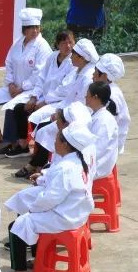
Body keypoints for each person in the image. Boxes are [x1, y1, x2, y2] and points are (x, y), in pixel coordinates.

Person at [4, 123, 94, 272]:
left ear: (65, 144)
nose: (54, 142)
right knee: (30, 212)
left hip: (64, 217)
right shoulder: (77, 160)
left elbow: (50, 198)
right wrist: (42, 180)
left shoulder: (66, 167)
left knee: (17, 226)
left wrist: (33, 209)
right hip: (76, 213)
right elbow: (57, 186)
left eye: (57, 139)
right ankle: (39, 258)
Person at [20, 38, 98, 179]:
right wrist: (57, 110)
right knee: (40, 123)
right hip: (65, 108)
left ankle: (37, 165)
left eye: (74, 54)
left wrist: (62, 114)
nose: (71, 56)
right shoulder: (78, 71)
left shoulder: (87, 77)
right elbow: (67, 94)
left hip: (76, 117)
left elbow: (81, 104)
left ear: (82, 58)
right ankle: (38, 164)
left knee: (45, 129)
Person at [0, 7, 52, 147]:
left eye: (37, 27)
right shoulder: (18, 43)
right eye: (31, 28)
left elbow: (39, 73)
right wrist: (11, 83)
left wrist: (22, 88)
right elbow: (9, 63)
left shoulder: (43, 46)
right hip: (14, 87)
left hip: (31, 90)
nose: (35, 31)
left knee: (11, 106)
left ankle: (12, 142)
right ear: (24, 29)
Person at [7, 30, 75, 159]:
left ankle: (40, 155)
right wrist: (34, 97)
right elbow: (41, 78)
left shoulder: (73, 62)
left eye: (70, 42)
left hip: (59, 101)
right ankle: (23, 145)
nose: (68, 46)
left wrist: (45, 102)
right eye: (64, 43)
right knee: (20, 108)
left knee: (37, 118)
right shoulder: (52, 57)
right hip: (44, 98)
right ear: (57, 44)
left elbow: (64, 89)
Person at [93, 53, 131, 153]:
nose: (93, 74)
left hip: (106, 148)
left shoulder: (109, 96)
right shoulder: (109, 89)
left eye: (95, 71)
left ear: (104, 75)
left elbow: (104, 128)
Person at [85, 81, 119, 181]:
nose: (85, 97)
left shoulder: (104, 121)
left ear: (95, 97)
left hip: (98, 171)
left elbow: (98, 149)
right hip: (93, 165)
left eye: (87, 95)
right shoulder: (96, 114)